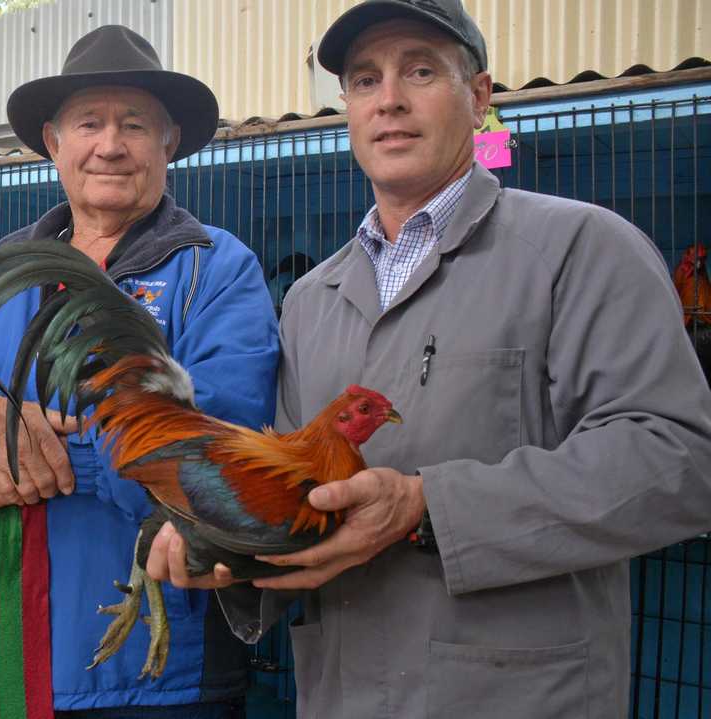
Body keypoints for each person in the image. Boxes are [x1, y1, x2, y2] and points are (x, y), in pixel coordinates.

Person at [147, 1, 711, 717]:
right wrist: (222, 548)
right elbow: (293, 504)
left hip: (519, 697)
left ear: (478, 98)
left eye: (420, 71)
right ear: (347, 108)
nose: (389, 100)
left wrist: (427, 504)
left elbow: (679, 461)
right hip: (342, 697)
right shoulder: (310, 299)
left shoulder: (581, 250)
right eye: (363, 79)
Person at [0, 25, 278, 716]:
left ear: (167, 142)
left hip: (161, 678)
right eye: (89, 122)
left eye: (133, 124)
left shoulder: (218, 269)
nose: (109, 144)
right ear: (54, 142)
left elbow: (217, 453)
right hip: (6, 657)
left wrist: (28, 448)